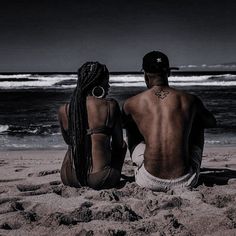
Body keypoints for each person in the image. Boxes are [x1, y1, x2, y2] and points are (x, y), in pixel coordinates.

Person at [122, 51, 216, 191]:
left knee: (130, 125)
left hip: (148, 180)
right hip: (185, 180)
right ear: (169, 73)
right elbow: (211, 122)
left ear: (145, 75)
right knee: (198, 122)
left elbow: (118, 126)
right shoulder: (190, 100)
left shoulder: (132, 103)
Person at [58, 62, 127, 190]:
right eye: (107, 81)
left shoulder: (65, 109)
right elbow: (118, 144)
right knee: (123, 146)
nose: (109, 86)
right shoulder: (110, 106)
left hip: (69, 176)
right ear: (99, 84)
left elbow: (68, 141)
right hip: (100, 178)